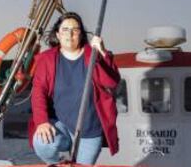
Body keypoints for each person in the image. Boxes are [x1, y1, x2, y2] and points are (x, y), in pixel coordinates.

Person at [28, 12, 121, 164]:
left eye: (75, 30)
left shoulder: (93, 55)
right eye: (65, 29)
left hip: (90, 130)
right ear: (57, 34)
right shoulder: (47, 59)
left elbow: (111, 82)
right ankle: (57, 164)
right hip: (61, 125)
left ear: (81, 34)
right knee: (42, 143)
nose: (70, 34)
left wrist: (102, 53)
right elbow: (39, 91)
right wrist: (42, 122)